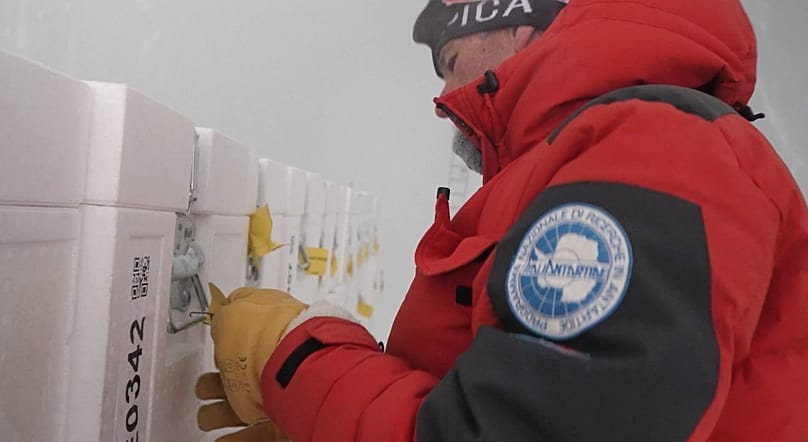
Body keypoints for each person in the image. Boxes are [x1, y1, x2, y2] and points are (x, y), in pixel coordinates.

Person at [195, 0, 808, 440]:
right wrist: (316, 419)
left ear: (516, 23)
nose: (441, 99)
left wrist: (297, 359)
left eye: (451, 59)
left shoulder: (654, 151)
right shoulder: (585, 161)